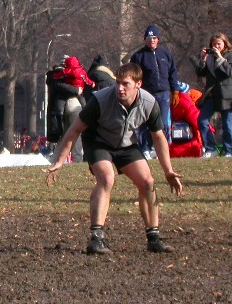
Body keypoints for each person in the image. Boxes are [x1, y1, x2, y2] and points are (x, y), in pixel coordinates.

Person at [45, 63, 183, 255]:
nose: (120, 87)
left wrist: (168, 171)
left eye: (125, 84)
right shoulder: (100, 100)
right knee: (107, 178)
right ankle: (96, 239)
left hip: (126, 145)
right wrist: (59, 161)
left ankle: (154, 238)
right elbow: (74, 130)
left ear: (138, 84)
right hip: (98, 142)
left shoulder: (149, 103)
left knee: (147, 181)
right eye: (118, 82)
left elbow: (158, 137)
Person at [130, 24, 180, 158]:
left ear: (158, 39)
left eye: (154, 37)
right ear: (145, 39)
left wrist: (175, 90)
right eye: (149, 37)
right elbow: (133, 75)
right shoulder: (138, 56)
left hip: (163, 93)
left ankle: (159, 149)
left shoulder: (165, 55)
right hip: (146, 94)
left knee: (162, 123)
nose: (152, 40)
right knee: (145, 122)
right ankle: (145, 148)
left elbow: (173, 73)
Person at [195, 33, 232, 158]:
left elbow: (230, 71)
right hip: (212, 94)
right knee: (202, 121)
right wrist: (203, 59)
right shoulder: (209, 57)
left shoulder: (231, 55)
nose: (216, 46)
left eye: (219, 44)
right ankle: (210, 148)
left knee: (227, 125)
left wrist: (220, 57)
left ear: (224, 44)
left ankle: (228, 150)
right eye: (214, 44)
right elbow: (200, 72)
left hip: (227, 95)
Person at [47, 63, 84, 163]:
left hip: (61, 109)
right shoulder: (63, 74)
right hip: (72, 104)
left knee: (65, 135)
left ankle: (56, 160)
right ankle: (77, 159)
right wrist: (77, 90)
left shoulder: (54, 75)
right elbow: (62, 86)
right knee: (77, 132)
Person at [169, 82, 203, 158]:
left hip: (174, 146)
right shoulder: (185, 102)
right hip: (188, 146)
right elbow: (196, 120)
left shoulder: (171, 102)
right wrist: (209, 129)